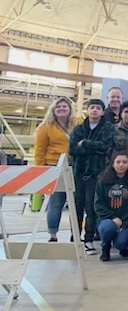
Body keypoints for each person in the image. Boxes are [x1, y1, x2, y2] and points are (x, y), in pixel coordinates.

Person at [69, 98, 114, 255]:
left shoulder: (107, 129)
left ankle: (88, 239)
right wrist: (93, 148)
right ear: (87, 111)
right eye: (92, 107)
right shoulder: (78, 129)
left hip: (96, 174)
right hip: (78, 173)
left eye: (98, 108)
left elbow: (106, 147)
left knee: (91, 207)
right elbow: (73, 150)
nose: (94, 110)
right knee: (76, 207)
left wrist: (86, 143)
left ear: (102, 112)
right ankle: (74, 237)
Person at [34, 97, 78, 242]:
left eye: (64, 106)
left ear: (70, 109)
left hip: (74, 167)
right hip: (54, 167)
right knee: (56, 203)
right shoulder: (45, 127)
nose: (61, 109)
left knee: (76, 203)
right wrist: (41, 172)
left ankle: (75, 234)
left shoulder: (76, 125)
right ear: (53, 110)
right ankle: (53, 234)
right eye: (58, 107)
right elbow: (39, 151)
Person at [95, 152, 128, 262]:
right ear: (112, 164)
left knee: (121, 243)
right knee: (107, 228)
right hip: (107, 219)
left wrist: (127, 222)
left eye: (125, 162)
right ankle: (105, 248)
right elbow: (98, 204)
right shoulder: (102, 182)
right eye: (118, 162)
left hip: (127, 221)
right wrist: (112, 218)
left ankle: (123, 246)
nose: (121, 165)